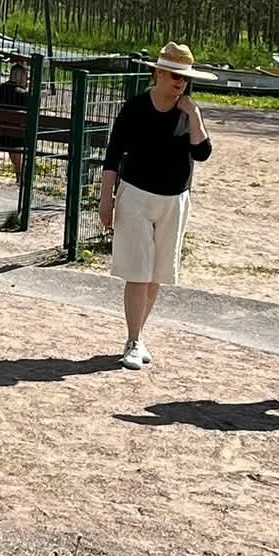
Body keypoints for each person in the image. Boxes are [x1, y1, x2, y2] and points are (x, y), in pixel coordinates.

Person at [99, 42, 216, 369]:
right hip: (136, 195)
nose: (181, 83)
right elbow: (112, 155)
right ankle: (133, 339)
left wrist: (195, 115)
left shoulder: (188, 112)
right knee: (138, 272)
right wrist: (106, 199)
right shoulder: (135, 107)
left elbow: (202, 153)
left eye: (185, 78)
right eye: (175, 76)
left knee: (156, 275)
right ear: (159, 74)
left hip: (174, 200)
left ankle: (138, 334)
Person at [0, 56, 30, 186]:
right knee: (17, 138)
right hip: (14, 140)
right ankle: (20, 177)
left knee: (12, 132)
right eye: (26, 78)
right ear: (21, 77)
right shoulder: (23, 95)